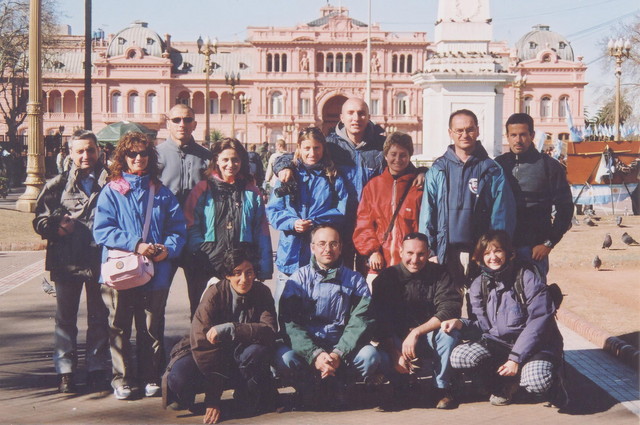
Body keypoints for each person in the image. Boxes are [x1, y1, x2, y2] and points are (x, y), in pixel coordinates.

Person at [93, 132, 186, 400]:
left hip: (155, 271)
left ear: (150, 157)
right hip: (121, 270)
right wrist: (136, 244)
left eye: (143, 153)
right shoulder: (112, 191)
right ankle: (122, 378)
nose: (138, 158)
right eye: (131, 153)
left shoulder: (161, 192)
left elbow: (177, 228)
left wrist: (166, 248)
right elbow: (102, 230)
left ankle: (151, 375)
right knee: (119, 326)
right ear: (122, 157)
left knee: (152, 326)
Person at [442, 230, 567, 408]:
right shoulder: (479, 284)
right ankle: (503, 385)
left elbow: (538, 323)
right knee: (460, 357)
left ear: (508, 252)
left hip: (536, 345)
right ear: (480, 257)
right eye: (487, 253)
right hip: (500, 345)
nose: (493, 257)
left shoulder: (527, 277)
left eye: (498, 251)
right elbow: (483, 327)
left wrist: (515, 358)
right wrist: (461, 323)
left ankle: (555, 384)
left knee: (537, 380)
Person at [33, 129, 110, 393]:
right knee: (65, 319)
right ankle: (65, 370)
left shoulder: (111, 183)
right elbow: (39, 220)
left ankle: (97, 367)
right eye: (80, 151)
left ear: (99, 151)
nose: (86, 155)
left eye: (90, 149)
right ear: (70, 154)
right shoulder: (56, 185)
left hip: (99, 260)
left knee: (99, 317)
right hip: (66, 261)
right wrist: (56, 227)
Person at [164, 247, 279, 424]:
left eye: (249, 273)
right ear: (227, 275)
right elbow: (203, 345)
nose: (243, 280)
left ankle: (245, 393)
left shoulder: (261, 292)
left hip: (240, 356)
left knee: (257, 352)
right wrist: (213, 400)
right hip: (208, 357)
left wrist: (232, 328)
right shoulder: (213, 294)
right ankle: (184, 397)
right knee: (178, 378)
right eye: (237, 273)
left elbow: (269, 330)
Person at [274, 224, 383, 410]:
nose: (327, 249)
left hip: (341, 349)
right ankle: (308, 390)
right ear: (312, 247)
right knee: (282, 357)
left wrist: (338, 353)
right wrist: (315, 355)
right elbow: (290, 324)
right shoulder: (297, 280)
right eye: (322, 244)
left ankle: (341, 386)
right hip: (309, 350)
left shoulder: (355, 281)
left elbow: (361, 321)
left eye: (333, 244)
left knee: (370, 356)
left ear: (341, 247)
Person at [274, 98, 386, 268]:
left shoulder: (381, 147)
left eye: (361, 113)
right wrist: (283, 166)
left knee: (370, 279)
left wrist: (420, 173)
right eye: (350, 113)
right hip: (338, 223)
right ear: (342, 117)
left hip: (370, 225)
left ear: (369, 116)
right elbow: (299, 155)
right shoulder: (331, 145)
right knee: (339, 277)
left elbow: (401, 164)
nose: (356, 118)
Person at [419, 109, 515, 290]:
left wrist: (496, 250)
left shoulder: (491, 170)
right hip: (445, 252)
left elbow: (501, 214)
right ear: (450, 133)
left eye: (470, 129)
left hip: (481, 254)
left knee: (480, 307)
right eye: (459, 130)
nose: (465, 135)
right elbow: (427, 213)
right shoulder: (438, 169)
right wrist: (429, 250)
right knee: (447, 309)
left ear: (478, 131)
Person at [372, 232, 462, 410]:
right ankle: (401, 385)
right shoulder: (386, 278)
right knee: (382, 351)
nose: (415, 259)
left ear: (428, 253)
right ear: (400, 252)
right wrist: (393, 351)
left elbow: (450, 307)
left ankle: (441, 388)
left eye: (421, 254)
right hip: (396, 339)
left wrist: (416, 332)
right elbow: (380, 320)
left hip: (428, 334)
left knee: (449, 334)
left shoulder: (441, 273)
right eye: (410, 253)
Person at [184, 138, 273, 317]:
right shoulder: (202, 189)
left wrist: (263, 266)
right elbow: (191, 224)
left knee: (240, 316)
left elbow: (261, 231)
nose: (230, 164)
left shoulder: (251, 192)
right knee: (205, 315)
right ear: (216, 160)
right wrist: (203, 252)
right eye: (225, 160)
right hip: (207, 264)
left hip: (241, 266)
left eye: (235, 160)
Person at [266, 127, 348, 311]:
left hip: (319, 252)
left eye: (317, 148)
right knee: (283, 308)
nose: (312, 153)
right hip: (290, 252)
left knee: (314, 307)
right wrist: (292, 223)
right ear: (299, 148)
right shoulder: (288, 174)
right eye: (307, 148)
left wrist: (317, 222)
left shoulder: (332, 176)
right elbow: (273, 209)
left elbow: (341, 209)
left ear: (323, 149)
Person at [495, 113, 573, 278]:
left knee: (534, 300)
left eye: (523, 134)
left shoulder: (549, 166)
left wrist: (549, 242)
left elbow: (565, 208)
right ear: (507, 136)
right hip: (503, 249)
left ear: (532, 135)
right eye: (513, 135)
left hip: (534, 249)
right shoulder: (498, 165)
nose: (518, 140)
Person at [353, 132, 423, 282]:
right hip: (379, 264)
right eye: (393, 154)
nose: (397, 159)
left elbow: (422, 226)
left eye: (403, 155)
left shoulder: (417, 188)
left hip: (410, 265)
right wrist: (372, 251)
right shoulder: (373, 186)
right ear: (385, 156)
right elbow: (363, 224)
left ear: (410, 156)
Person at [157, 104, 212, 207]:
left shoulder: (207, 156)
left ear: (194, 125)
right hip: (165, 219)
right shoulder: (155, 155)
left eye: (187, 120)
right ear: (168, 124)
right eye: (176, 120)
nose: (182, 124)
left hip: (197, 220)